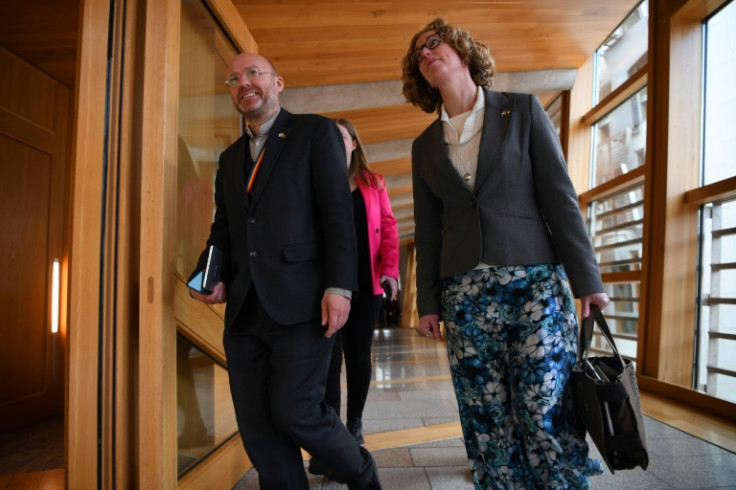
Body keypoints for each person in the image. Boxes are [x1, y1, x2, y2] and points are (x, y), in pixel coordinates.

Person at [401, 18, 610, 489]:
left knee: (544, 405)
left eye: (433, 43)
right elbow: (428, 230)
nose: (425, 53)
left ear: (462, 50)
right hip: (466, 293)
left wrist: (588, 280)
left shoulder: (522, 111)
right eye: (418, 53)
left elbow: (559, 197)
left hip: (535, 285)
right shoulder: (424, 147)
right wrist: (428, 303)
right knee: (485, 412)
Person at [189, 51, 381, 490]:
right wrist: (210, 273)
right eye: (234, 79)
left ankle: (362, 473)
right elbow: (225, 230)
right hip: (244, 311)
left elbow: (337, 214)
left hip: (302, 302)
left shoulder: (314, 133)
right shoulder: (228, 159)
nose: (244, 83)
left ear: (278, 83)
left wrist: (340, 287)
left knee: (298, 411)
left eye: (253, 73)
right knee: (258, 426)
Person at [308, 119, 400, 476]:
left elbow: (389, 227)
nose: (334, 142)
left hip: (366, 282)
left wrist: (391, 269)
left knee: (358, 356)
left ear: (354, 144)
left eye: (340, 136)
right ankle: (331, 440)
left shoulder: (373, 182)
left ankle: (355, 425)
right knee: (327, 362)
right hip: (328, 285)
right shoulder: (315, 181)